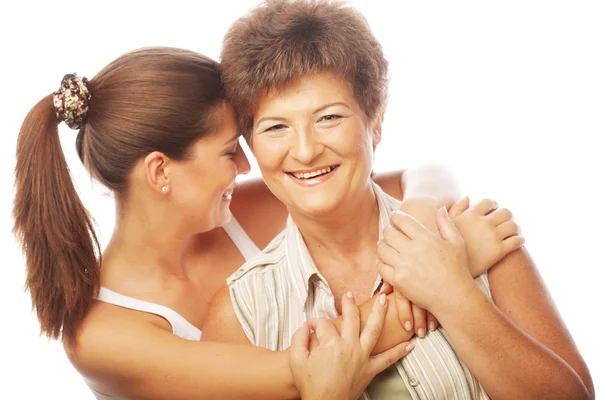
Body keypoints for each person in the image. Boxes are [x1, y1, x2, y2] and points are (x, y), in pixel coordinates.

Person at [13, 46, 463, 400]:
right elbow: (306, 373)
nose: (248, 165)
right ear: (160, 172)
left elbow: (428, 175)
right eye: (230, 151)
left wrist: (420, 215)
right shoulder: (102, 336)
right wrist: (441, 276)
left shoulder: (238, 212)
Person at [203, 1, 595, 399]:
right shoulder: (238, 315)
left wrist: (453, 294)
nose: (304, 151)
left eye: (329, 118)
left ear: (375, 123)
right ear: (250, 145)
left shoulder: (473, 237)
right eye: (276, 127)